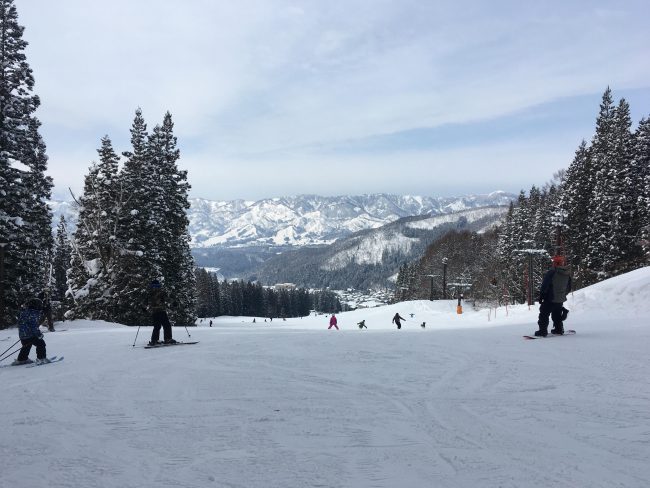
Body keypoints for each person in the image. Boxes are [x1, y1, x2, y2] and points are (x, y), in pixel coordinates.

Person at [534, 255, 572, 337]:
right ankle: (559, 329)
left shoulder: (552, 272)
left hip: (550, 298)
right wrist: (562, 294)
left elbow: (545, 285)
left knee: (544, 314)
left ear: (555, 263)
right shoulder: (567, 273)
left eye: (554, 262)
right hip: (560, 299)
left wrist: (541, 296)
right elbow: (569, 288)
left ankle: (542, 331)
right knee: (556, 314)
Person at [13, 298, 50, 365]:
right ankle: (41, 359)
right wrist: (39, 334)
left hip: (22, 334)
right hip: (30, 334)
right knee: (41, 344)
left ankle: (22, 359)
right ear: (36, 305)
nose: (40, 307)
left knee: (26, 346)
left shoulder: (25, 312)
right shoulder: (33, 313)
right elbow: (34, 326)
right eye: (39, 305)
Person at [147, 280, 177, 346]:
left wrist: (144, 308)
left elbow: (146, 301)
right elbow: (167, 298)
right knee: (166, 325)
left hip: (154, 312)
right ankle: (168, 339)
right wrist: (173, 303)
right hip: (160, 310)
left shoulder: (149, 292)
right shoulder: (160, 292)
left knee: (157, 326)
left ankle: (154, 340)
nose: (156, 287)